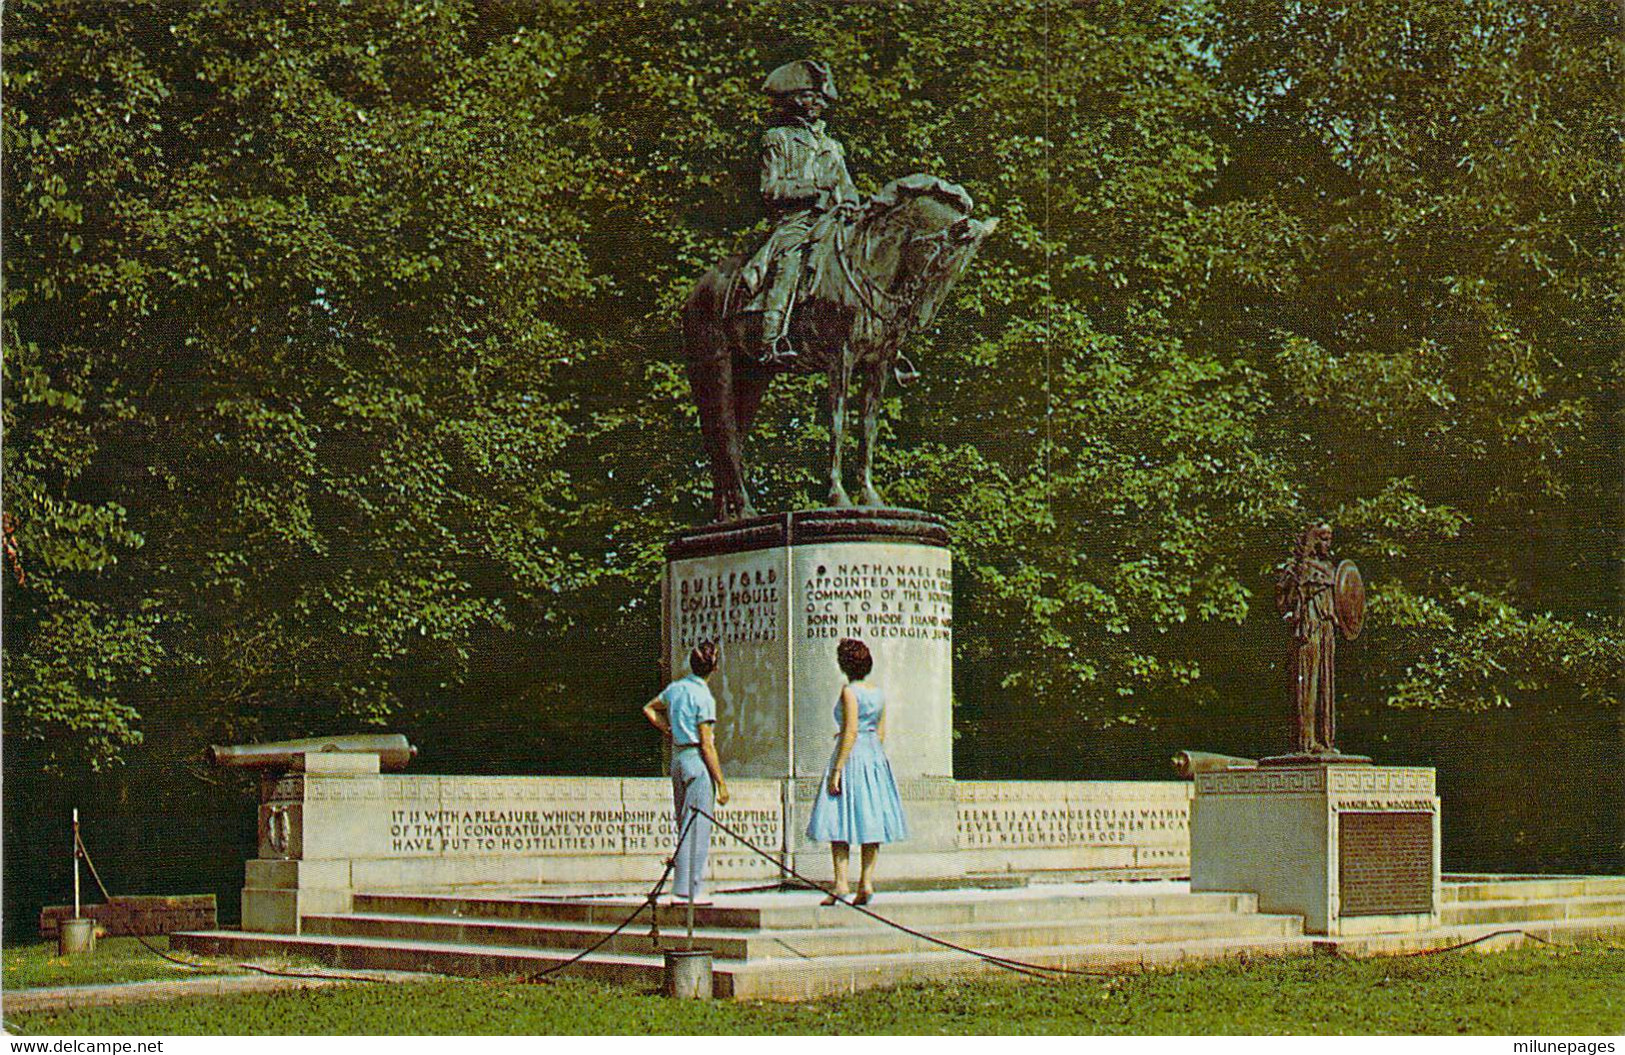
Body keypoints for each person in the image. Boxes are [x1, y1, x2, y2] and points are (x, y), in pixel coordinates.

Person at [737, 58, 860, 366]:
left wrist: (849, 204)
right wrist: (814, 186)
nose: (815, 102)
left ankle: (880, 339)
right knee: (790, 261)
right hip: (795, 222)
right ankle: (772, 338)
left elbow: (848, 190)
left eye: (819, 96)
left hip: (832, 222)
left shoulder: (833, 147)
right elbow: (771, 189)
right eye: (807, 95)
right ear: (791, 99)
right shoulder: (777, 139)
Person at [804, 637, 909, 904]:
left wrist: (837, 769)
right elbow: (881, 731)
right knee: (870, 818)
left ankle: (841, 882)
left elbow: (850, 730)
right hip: (873, 755)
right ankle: (866, 881)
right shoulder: (879, 693)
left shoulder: (849, 692)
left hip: (851, 756)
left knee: (838, 817)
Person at [643, 640, 730, 904]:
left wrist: (667, 728)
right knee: (697, 826)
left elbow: (649, 708)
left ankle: (684, 886)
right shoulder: (703, 697)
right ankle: (687, 889)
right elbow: (707, 745)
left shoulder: (676, 688)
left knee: (684, 823)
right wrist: (721, 783)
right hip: (695, 759)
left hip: (678, 757)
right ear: (714, 668)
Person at [1276, 521, 1341, 754]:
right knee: (1308, 682)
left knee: (1325, 681)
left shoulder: (1332, 570)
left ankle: (1325, 740)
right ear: (1313, 540)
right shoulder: (1298, 568)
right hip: (1309, 629)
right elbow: (1284, 601)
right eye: (1323, 538)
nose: (1328, 543)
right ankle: (1306, 741)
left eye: (1330, 538)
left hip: (1326, 628)